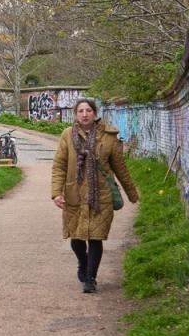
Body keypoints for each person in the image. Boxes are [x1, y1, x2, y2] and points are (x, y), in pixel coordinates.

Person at [51, 98, 138, 293]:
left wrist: (131, 192)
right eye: (81, 111)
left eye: (88, 110)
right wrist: (56, 192)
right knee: (77, 238)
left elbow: (120, 167)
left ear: (94, 113)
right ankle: (83, 262)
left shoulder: (108, 137)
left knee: (96, 237)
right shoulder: (67, 135)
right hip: (75, 194)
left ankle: (90, 279)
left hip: (101, 195)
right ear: (76, 114)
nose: (84, 114)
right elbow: (59, 165)